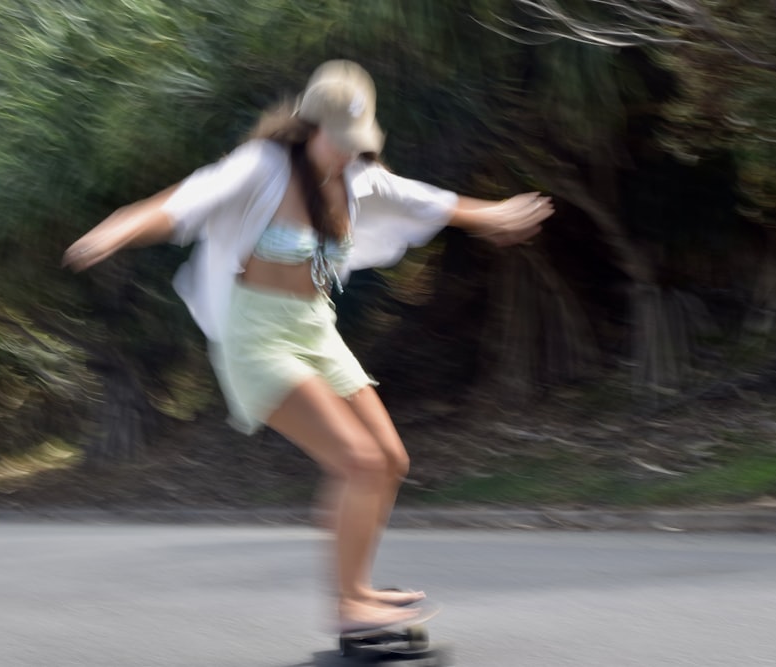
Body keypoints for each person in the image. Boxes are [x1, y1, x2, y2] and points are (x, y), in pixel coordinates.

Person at [63, 60, 553, 632]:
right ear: (310, 128)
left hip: (317, 329)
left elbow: (426, 200)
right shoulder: (262, 167)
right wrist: (119, 227)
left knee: (390, 460)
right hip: (258, 337)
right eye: (337, 143)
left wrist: (491, 214)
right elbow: (186, 201)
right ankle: (347, 607)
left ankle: (360, 587)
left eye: (356, 143)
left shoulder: (358, 175)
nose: (348, 154)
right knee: (357, 461)